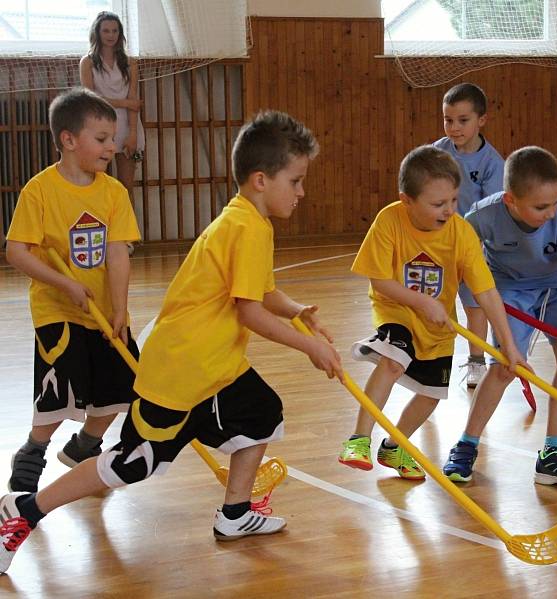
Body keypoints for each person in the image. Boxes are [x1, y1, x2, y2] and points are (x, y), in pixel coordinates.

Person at [0, 110, 344, 574]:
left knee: (263, 413)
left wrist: (297, 311)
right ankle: (24, 510)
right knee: (130, 465)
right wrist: (310, 347)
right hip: (181, 373)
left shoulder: (250, 222)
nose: (302, 192)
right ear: (262, 180)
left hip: (216, 367)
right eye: (296, 181)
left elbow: (261, 292)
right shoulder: (244, 227)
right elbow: (249, 312)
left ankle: (236, 514)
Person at [337, 145, 528, 480]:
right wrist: (422, 302)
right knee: (393, 359)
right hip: (395, 311)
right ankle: (359, 438)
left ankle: (395, 447)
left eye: (454, 200)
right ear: (406, 199)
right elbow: (380, 280)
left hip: (437, 327)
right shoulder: (389, 220)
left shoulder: (462, 234)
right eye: (438, 204)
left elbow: (486, 292)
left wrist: (508, 347)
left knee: (430, 395)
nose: (449, 210)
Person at [4, 88, 141, 495]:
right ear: (68, 139)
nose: (111, 147)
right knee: (59, 395)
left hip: (104, 309)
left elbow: (118, 254)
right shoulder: (40, 191)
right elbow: (16, 252)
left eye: (112, 138)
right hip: (57, 310)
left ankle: (86, 446)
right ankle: (33, 451)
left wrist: (120, 309)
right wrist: (65, 283)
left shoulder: (114, 193)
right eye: (101, 139)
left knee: (119, 391)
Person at [442, 146, 557, 488]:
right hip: (508, 289)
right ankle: (467, 443)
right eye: (540, 206)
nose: (551, 212)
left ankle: (553, 454)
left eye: (556, 201)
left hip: (556, 286)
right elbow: (460, 263)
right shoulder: (481, 217)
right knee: (504, 365)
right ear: (510, 201)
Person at [433, 83, 504, 388]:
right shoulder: (437, 152)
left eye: (463, 120)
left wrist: (468, 240)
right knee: (436, 304)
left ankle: (476, 361)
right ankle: (431, 358)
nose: (454, 127)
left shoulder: (492, 164)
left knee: (475, 308)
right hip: (438, 246)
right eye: (449, 120)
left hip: (473, 249)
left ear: (481, 121)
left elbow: (489, 212)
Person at [79, 11, 144, 225]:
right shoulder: (87, 62)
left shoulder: (131, 63)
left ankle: (127, 236)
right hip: (99, 126)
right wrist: (124, 103)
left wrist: (133, 133)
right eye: (106, 30)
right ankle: (101, 233)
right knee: (98, 184)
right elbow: (90, 98)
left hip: (127, 125)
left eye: (115, 30)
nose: (111, 35)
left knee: (126, 186)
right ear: (97, 33)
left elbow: (134, 98)